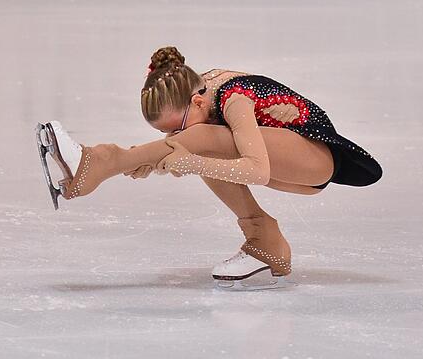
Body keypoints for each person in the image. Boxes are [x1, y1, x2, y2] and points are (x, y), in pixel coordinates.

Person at [37, 46, 383, 290]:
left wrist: (186, 160)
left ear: (198, 101)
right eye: (166, 133)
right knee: (202, 141)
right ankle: (265, 242)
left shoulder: (233, 99)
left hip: (315, 160)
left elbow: (258, 170)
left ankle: (99, 161)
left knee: (201, 139)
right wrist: (155, 159)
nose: (175, 137)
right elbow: (197, 142)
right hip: (288, 160)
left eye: (176, 128)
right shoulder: (197, 94)